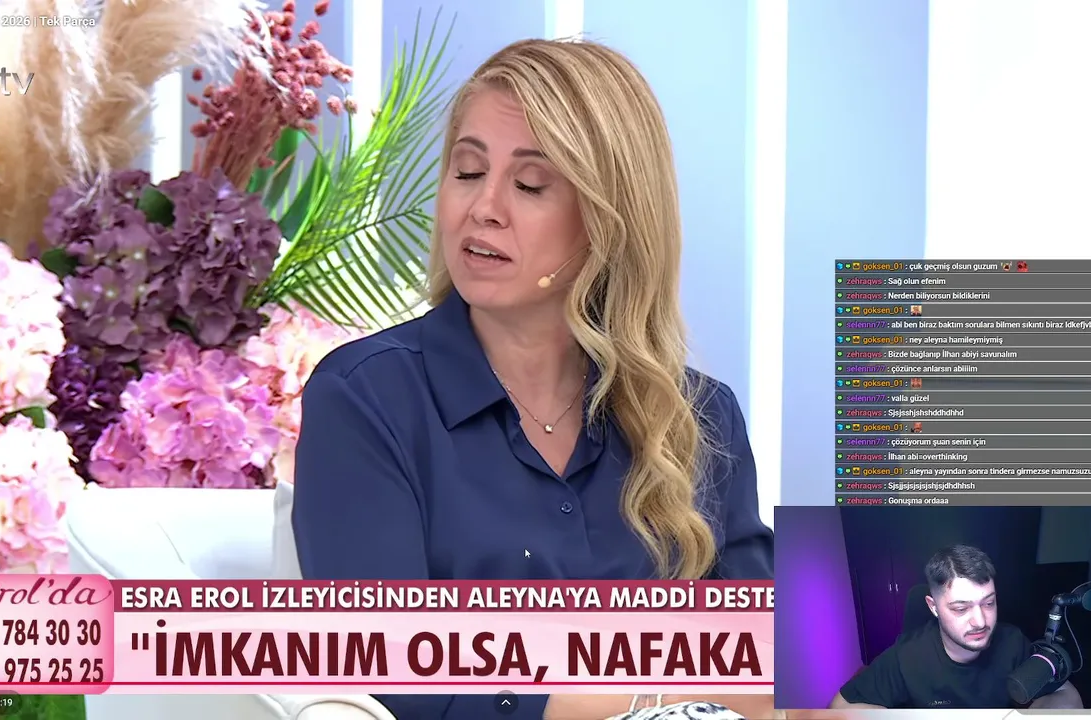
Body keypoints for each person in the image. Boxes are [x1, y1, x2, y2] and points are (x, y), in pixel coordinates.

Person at [292, 37, 774, 720]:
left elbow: (777, 665)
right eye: (467, 171)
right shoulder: (365, 398)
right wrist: (648, 694)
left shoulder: (700, 416)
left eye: (529, 185)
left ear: (607, 220)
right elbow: (393, 666)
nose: (483, 207)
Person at [830, 545, 1083, 710]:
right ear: (933, 607)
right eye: (961, 609)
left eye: (989, 603)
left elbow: (1067, 695)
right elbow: (840, 707)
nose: (981, 621)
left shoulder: (1013, 642)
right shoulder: (907, 656)